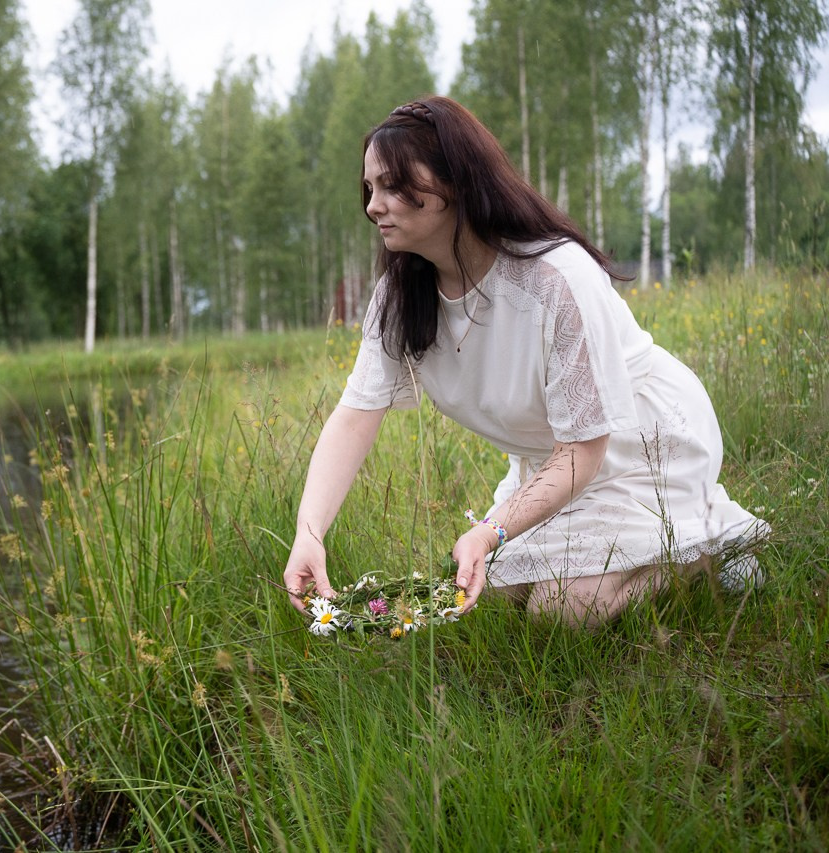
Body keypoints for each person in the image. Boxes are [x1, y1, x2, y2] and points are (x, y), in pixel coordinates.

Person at [282, 95, 768, 627]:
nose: (374, 205)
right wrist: (309, 533)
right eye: (370, 188)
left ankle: (706, 547)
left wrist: (491, 530)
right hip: (551, 463)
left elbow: (586, 447)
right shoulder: (399, 294)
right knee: (482, 598)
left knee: (561, 610)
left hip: (641, 444)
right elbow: (355, 416)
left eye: (394, 184)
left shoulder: (555, 277)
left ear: (456, 182)